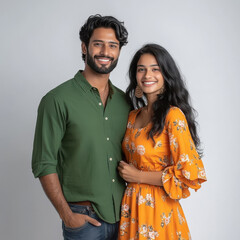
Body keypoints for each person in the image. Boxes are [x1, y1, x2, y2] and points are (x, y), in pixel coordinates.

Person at [32, 14, 130, 240]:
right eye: (98, 44)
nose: (106, 52)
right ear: (84, 47)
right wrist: (67, 215)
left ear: (118, 52)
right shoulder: (57, 100)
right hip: (84, 222)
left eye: (112, 46)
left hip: (126, 217)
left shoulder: (126, 103)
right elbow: (43, 162)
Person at [118, 43, 207, 240]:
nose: (147, 75)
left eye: (155, 69)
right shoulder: (133, 116)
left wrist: (137, 176)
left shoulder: (173, 116)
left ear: (166, 74)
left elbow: (188, 175)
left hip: (159, 211)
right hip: (131, 208)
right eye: (141, 69)